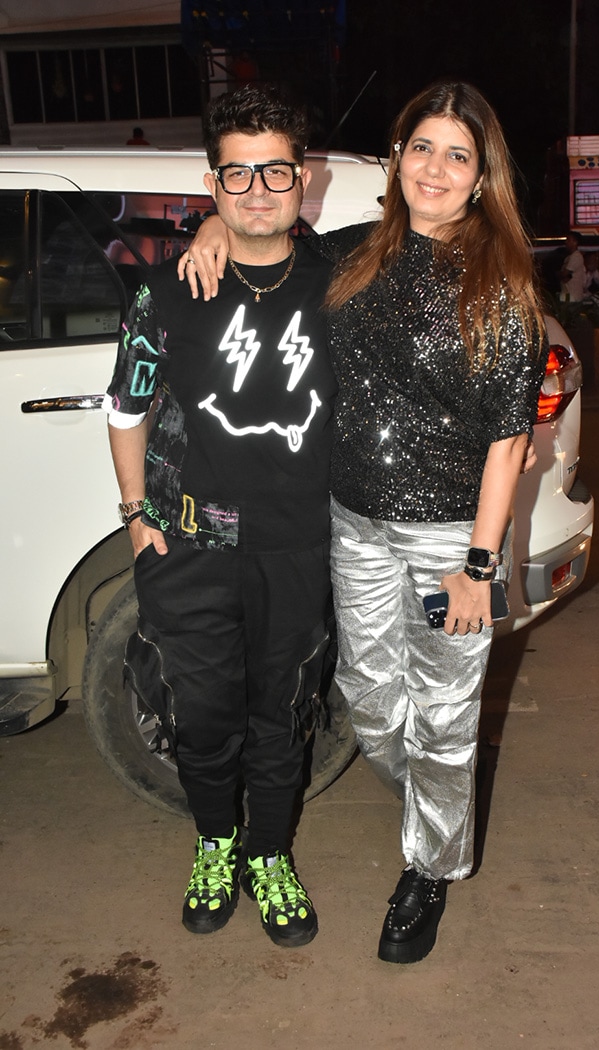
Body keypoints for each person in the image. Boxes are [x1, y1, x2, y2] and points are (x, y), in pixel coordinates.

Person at [181, 80, 548, 964]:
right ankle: (435, 794)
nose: (435, 167)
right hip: (354, 526)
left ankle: (428, 868)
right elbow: (264, 236)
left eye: (457, 154)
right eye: (422, 147)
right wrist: (213, 229)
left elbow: (508, 443)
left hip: (448, 539)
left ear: (480, 176)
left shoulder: (499, 289)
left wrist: (478, 564)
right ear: (396, 159)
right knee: (373, 707)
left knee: (448, 717)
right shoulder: (350, 255)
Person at [104, 85, 338, 948]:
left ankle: (270, 855)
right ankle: (216, 843)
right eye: (236, 174)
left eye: (275, 169)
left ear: (303, 177)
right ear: (213, 184)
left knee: (281, 716)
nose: (257, 189)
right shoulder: (167, 294)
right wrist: (136, 514)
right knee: (203, 717)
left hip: (296, 547)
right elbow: (125, 410)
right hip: (191, 544)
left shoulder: (341, 283)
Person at [559, 230, 586, 301]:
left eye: (568, 239)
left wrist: (558, 274)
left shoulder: (576, 257)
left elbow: (565, 274)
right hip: (567, 296)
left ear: (575, 242)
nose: (566, 242)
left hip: (572, 297)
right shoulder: (569, 257)